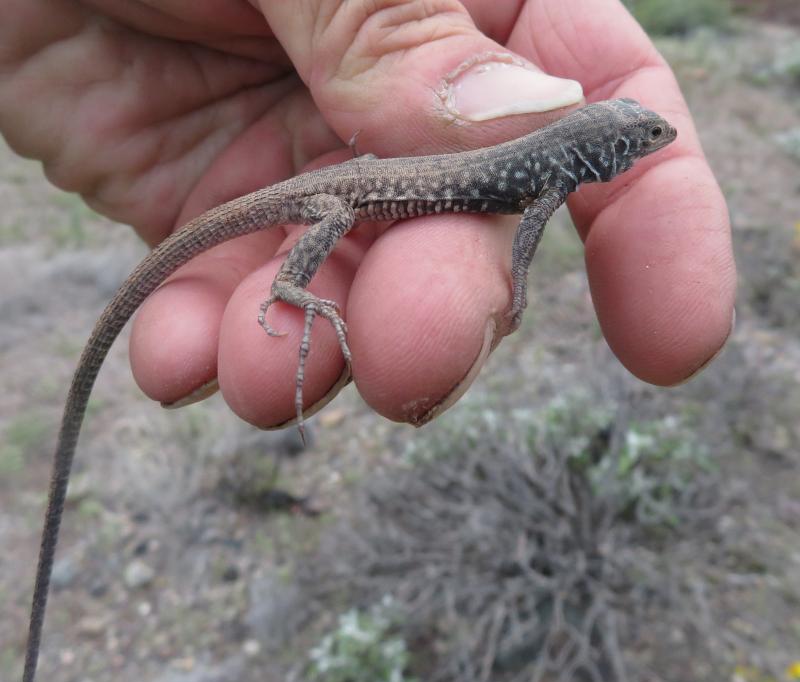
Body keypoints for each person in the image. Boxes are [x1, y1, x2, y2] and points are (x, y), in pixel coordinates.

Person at [0, 0, 735, 430]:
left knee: (376, 260)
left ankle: (294, 277)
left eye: (646, 136)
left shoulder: (553, 161)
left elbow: (537, 224)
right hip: (343, 192)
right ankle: (288, 285)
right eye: (641, 139)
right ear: (603, 146)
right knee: (334, 225)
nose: (652, 141)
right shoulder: (550, 168)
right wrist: (519, 294)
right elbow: (530, 238)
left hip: (359, 175)